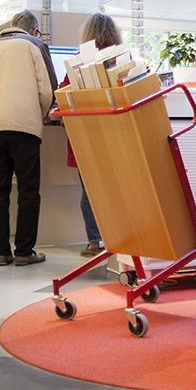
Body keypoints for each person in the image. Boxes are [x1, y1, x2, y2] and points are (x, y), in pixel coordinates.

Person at [0, 10, 56, 266]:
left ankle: (2, 252)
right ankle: (24, 251)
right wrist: (42, 114)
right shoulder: (33, 45)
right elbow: (47, 90)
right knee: (28, 191)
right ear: (34, 30)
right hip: (24, 126)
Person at [70, 13, 122, 256]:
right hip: (116, 133)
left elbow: (65, 93)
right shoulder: (120, 59)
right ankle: (121, 239)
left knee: (89, 190)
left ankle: (94, 241)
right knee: (120, 187)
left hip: (86, 135)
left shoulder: (78, 61)